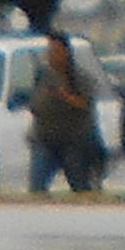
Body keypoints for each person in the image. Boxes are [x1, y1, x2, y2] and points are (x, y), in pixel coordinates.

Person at [27, 25, 107, 197]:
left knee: (81, 188)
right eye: (50, 51)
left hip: (74, 141)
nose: (52, 55)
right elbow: (33, 103)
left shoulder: (79, 77)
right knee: (36, 188)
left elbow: (86, 104)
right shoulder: (43, 75)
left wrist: (65, 96)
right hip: (46, 139)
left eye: (56, 51)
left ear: (66, 52)